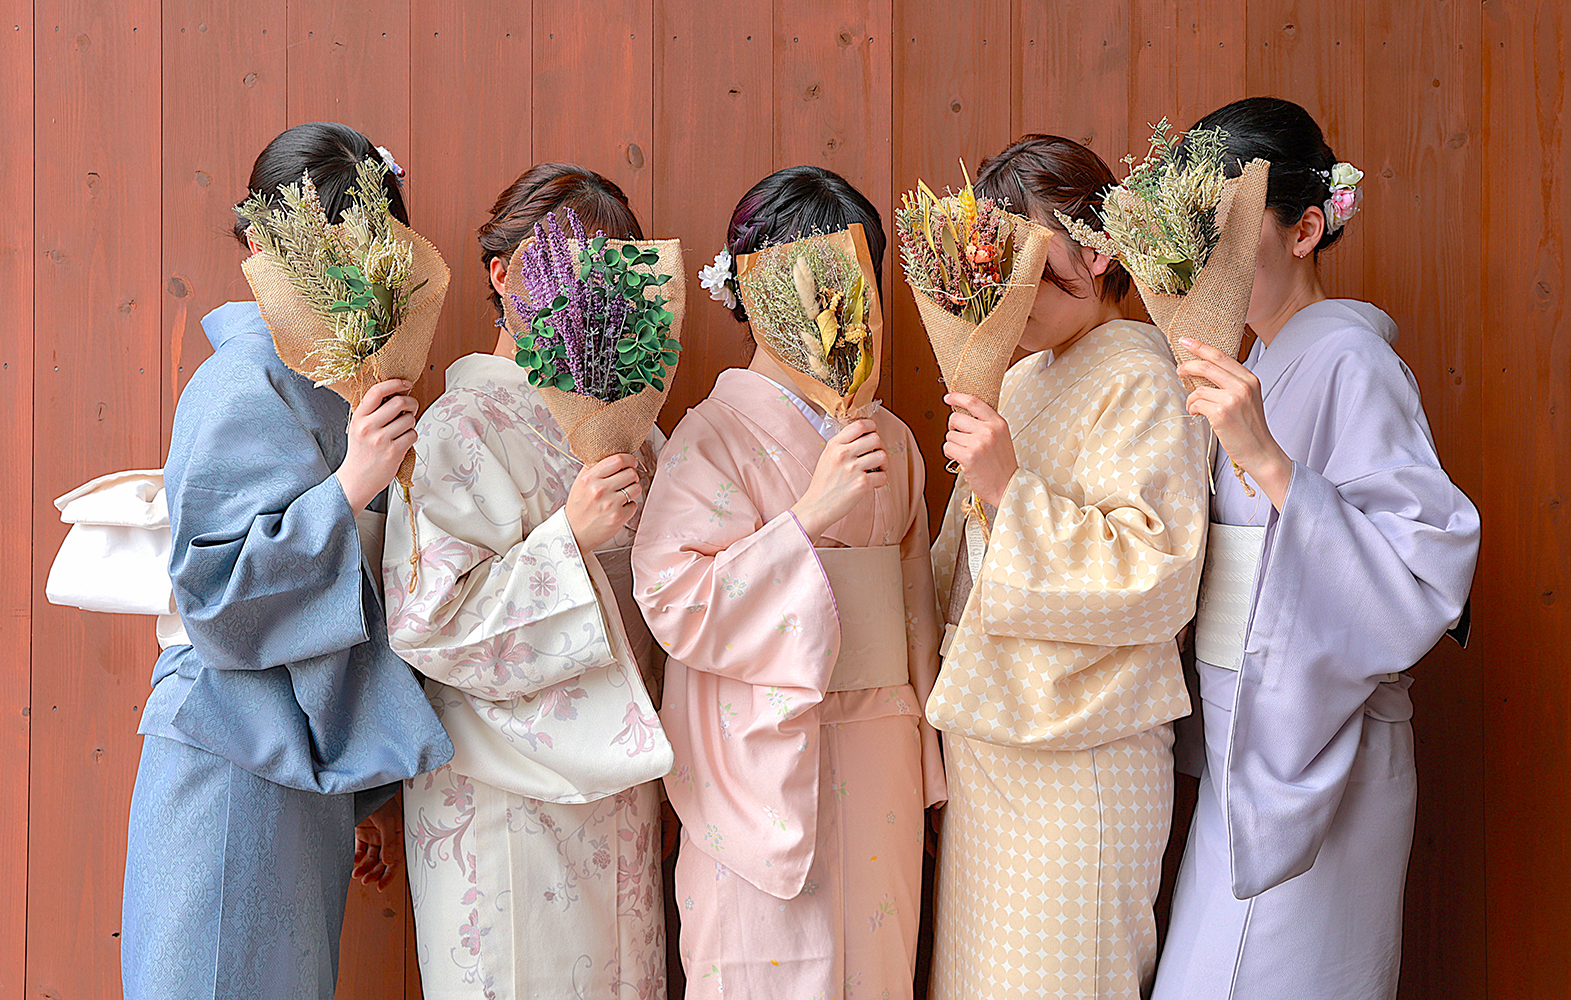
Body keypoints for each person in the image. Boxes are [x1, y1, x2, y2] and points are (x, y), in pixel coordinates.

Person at [1152, 97, 1480, 1000]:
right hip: (1244, 738)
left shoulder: (1347, 359)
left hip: (1323, 751)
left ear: (1304, 230)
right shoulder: (1249, 364)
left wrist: (1266, 458)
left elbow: (1424, 571)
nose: (1201, 253)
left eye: (1221, 225)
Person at [120, 122, 452, 1000]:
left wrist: (364, 791)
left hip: (300, 763)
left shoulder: (340, 380)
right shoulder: (240, 381)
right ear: (272, 246)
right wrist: (347, 489)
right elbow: (216, 589)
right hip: (229, 752)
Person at [631, 165, 947, 998]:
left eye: (852, 276)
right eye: (806, 281)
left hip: (879, 744)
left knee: (876, 973)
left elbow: (915, 606)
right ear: (750, 292)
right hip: (761, 756)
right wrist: (806, 520)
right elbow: (671, 597)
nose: (831, 304)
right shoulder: (712, 437)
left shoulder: (894, 438)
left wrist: (929, 751)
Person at [923, 135, 1208, 999]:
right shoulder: (1020, 380)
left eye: (1024, 261)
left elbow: (1157, 572)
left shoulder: (1143, 373)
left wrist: (1010, 488)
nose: (1006, 288)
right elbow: (958, 566)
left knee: (1062, 976)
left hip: (1081, 756)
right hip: (996, 740)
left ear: (1096, 251)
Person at [381, 163, 671, 1000]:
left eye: (606, 273)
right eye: (559, 264)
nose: (584, 290)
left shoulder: (631, 428)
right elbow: (431, 625)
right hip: (503, 792)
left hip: (617, 786)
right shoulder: (455, 427)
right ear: (501, 274)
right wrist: (570, 541)